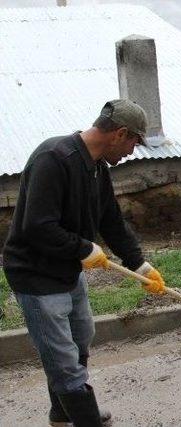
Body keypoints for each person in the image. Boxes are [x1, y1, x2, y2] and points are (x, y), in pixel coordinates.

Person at [2, 99, 167, 426]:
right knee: (63, 359)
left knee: (80, 339)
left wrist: (139, 265)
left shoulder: (96, 168)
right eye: (134, 142)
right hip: (36, 276)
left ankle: (61, 412)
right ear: (120, 133)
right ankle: (87, 418)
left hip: (67, 271)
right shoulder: (54, 159)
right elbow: (37, 226)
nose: (133, 152)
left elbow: (111, 222)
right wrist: (82, 249)